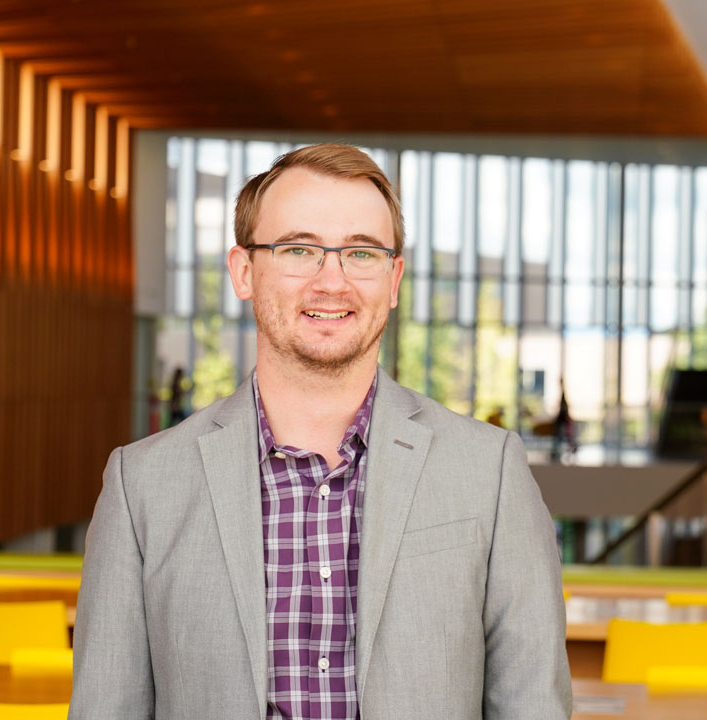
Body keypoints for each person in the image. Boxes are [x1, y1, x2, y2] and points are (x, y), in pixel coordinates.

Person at [69, 144, 570, 720]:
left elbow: (533, 706)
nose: (332, 281)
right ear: (243, 271)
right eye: (299, 249)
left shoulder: (489, 470)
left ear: (394, 277)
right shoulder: (143, 484)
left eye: (361, 252)